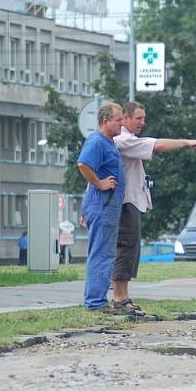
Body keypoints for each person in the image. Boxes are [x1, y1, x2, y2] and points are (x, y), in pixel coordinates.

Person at [112, 101, 196, 318]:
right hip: (126, 202)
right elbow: (157, 145)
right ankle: (119, 298)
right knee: (126, 247)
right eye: (138, 118)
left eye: (144, 118)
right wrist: (186, 142)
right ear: (125, 118)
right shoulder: (124, 140)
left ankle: (123, 296)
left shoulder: (130, 140)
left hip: (133, 201)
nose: (142, 123)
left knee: (132, 249)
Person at [77, 102, 126, 314]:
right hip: (102, 205)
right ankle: (95, 303)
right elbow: (83, 165)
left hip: (106, 207)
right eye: (118, 120)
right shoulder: (96, 141)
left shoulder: (110, 142)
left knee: (106, 253)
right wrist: (99, 183)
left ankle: (98, 300)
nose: (122, 124)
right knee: (101, 254)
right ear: (105, 121)